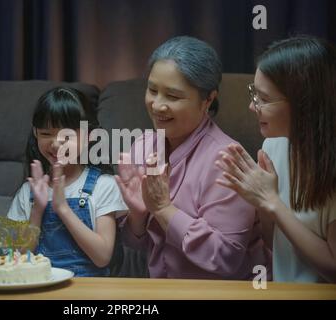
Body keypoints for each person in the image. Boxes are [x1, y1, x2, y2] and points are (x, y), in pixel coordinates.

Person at [115, 36, 270, 279]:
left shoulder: (227, 159)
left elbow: (226, 257)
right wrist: (137, 216)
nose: (157, 105)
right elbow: (134, 246)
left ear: (207, 99)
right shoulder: (141, 146)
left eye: (173, 96)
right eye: (152, 90)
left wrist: (164, 209)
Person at [215, 36, 336, 283]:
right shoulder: (273, 145)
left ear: (305, 104)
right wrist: (261, 204)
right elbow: (274, 244)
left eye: (264, 99)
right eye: (254, 93)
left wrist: (272, 202)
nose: (251, 106)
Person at [7, 87, 127, 277]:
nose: (55, 143)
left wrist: (62, 208)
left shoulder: (104, 185)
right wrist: (37, 210)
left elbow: (102, 256)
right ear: (36, 134)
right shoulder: (27, 192)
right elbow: (17, 260)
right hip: (40, 287)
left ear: (88, 136)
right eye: (46, 134)